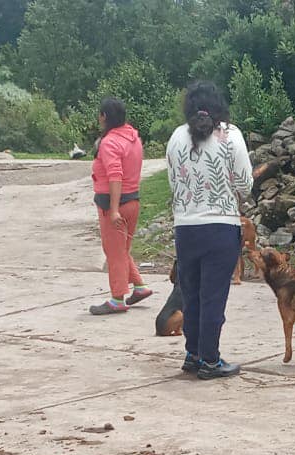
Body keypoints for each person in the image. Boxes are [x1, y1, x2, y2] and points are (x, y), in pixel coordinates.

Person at [165, 81, 253, 379]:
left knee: (191, 294)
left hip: (186, 228)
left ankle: (193, 353)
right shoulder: (230, 135)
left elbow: (173, 183)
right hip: (220, 228)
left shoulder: (177, 136)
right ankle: (211, 360)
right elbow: (245, 183)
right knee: (213, 295)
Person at [89, 97, 151, 315]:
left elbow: (115, 176)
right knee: (121, 250)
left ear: (104, 116)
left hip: (114, 205)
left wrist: (114, 209)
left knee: (114, 252)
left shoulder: (110, 142)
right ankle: (140, 286)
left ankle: (117, 299)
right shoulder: (134, 138)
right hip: (132, 201)